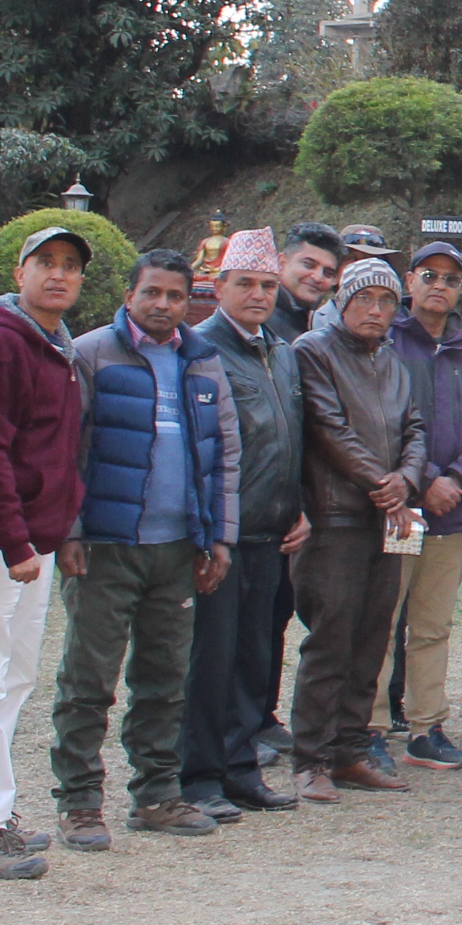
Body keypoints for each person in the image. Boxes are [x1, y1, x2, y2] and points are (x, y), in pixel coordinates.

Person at [51, 249, 241, 849]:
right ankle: (79, 802)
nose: (163, 305)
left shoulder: (202, 361)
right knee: (88, 680)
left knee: (165, 679)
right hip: (105, 546)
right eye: (151, 292)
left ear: (189, 302)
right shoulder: (90, 354)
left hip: (178, 548)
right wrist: (69, 531)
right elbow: (67, 449)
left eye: (175, 296)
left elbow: (225, 454)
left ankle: (157, 795)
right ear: (129, 295)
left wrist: (219, 537)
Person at [0, 224, 90, 879]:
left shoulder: (56, 345)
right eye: (45, 262)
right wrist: (13, 539)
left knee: (14, 676)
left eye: (70, 266)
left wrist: (53, 531)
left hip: (37, 537)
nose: (59, 274)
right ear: (18, 272)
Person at [290, 258, 427, 803]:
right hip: (336, 516)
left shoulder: (393, 361)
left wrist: (406, 480)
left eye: (387, 301)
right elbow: (327, 427)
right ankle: (310, 758)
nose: (376, 310)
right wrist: (382, 482)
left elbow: (415, 428)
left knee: (373, 638)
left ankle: (350, 749)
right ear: (342, 302)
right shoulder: (313, 351)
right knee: (330, 639)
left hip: (387, 520)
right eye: (365, 298)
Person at [182, 229, 307, 815]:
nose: (258, 295)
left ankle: (240, 769)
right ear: (218, 286)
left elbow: (293, 437)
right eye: (245, 284)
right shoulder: (198, 349)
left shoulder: (281, 351)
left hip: (272, 532)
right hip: (221, 534)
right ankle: (199, 778)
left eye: (267, 285)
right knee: (210, 662)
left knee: (255, 659)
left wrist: (300, 507)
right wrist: (205, 531)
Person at [379, 237, 462, 769]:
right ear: (409, 282)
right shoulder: (386, 342)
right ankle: (369, 726)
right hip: (400, 509)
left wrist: (456, 479)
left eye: (451, 279)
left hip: (456, 510)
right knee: (383, 620)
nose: (439, 286)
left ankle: (425, 726)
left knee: (433, 625)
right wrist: (426, 480)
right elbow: (380, 422)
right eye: (429, 276)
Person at [271, 223, 346, 342]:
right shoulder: (258, 319)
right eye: (308, 265)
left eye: (328, 273)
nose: (318, 277)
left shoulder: (313, 322)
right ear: (281, 263)